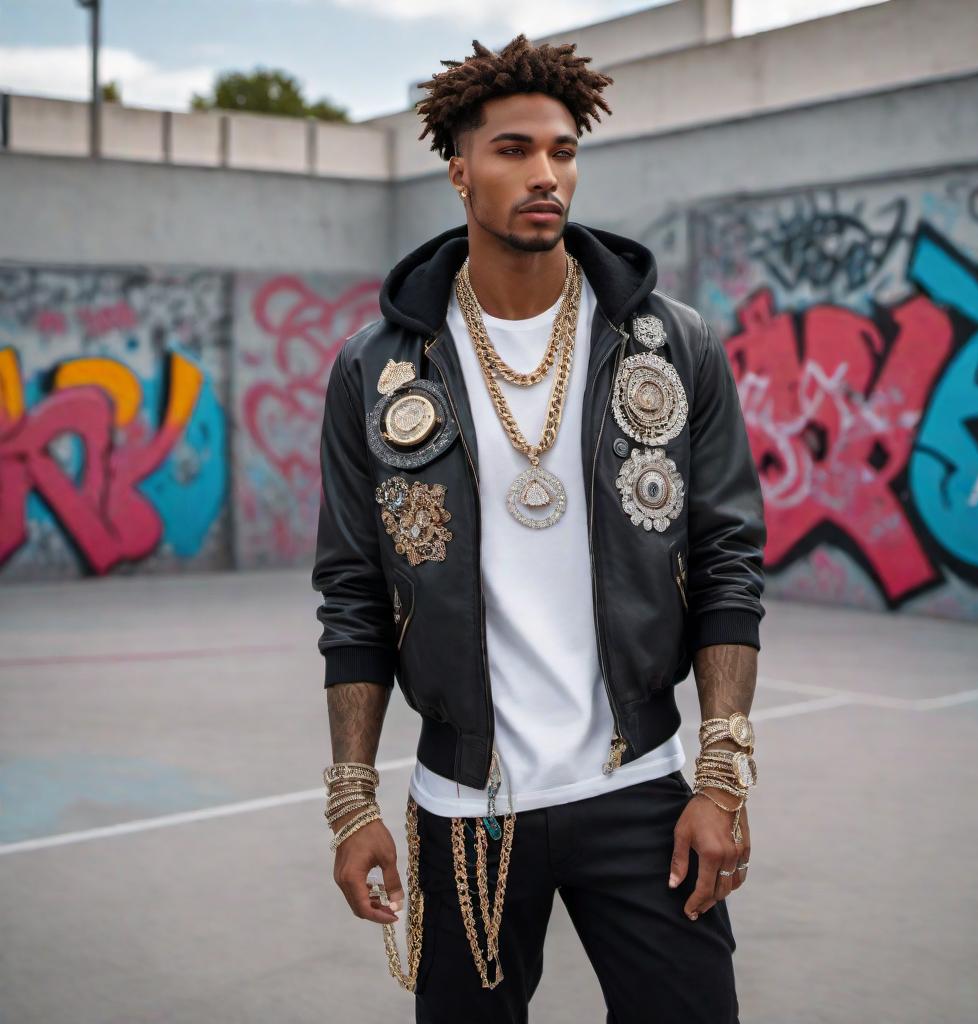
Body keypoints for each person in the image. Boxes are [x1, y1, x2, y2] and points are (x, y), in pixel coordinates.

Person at [312, 32, 766, 1024]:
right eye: (513, 149)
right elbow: (351, 592)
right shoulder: (380, 369)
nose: (545, 172)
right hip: (465, 807)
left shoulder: (669, 342)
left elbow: (727, 559)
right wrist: (353, 798)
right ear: (458, 171)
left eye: (561, 150)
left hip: (641, 787)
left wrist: (722, 774)